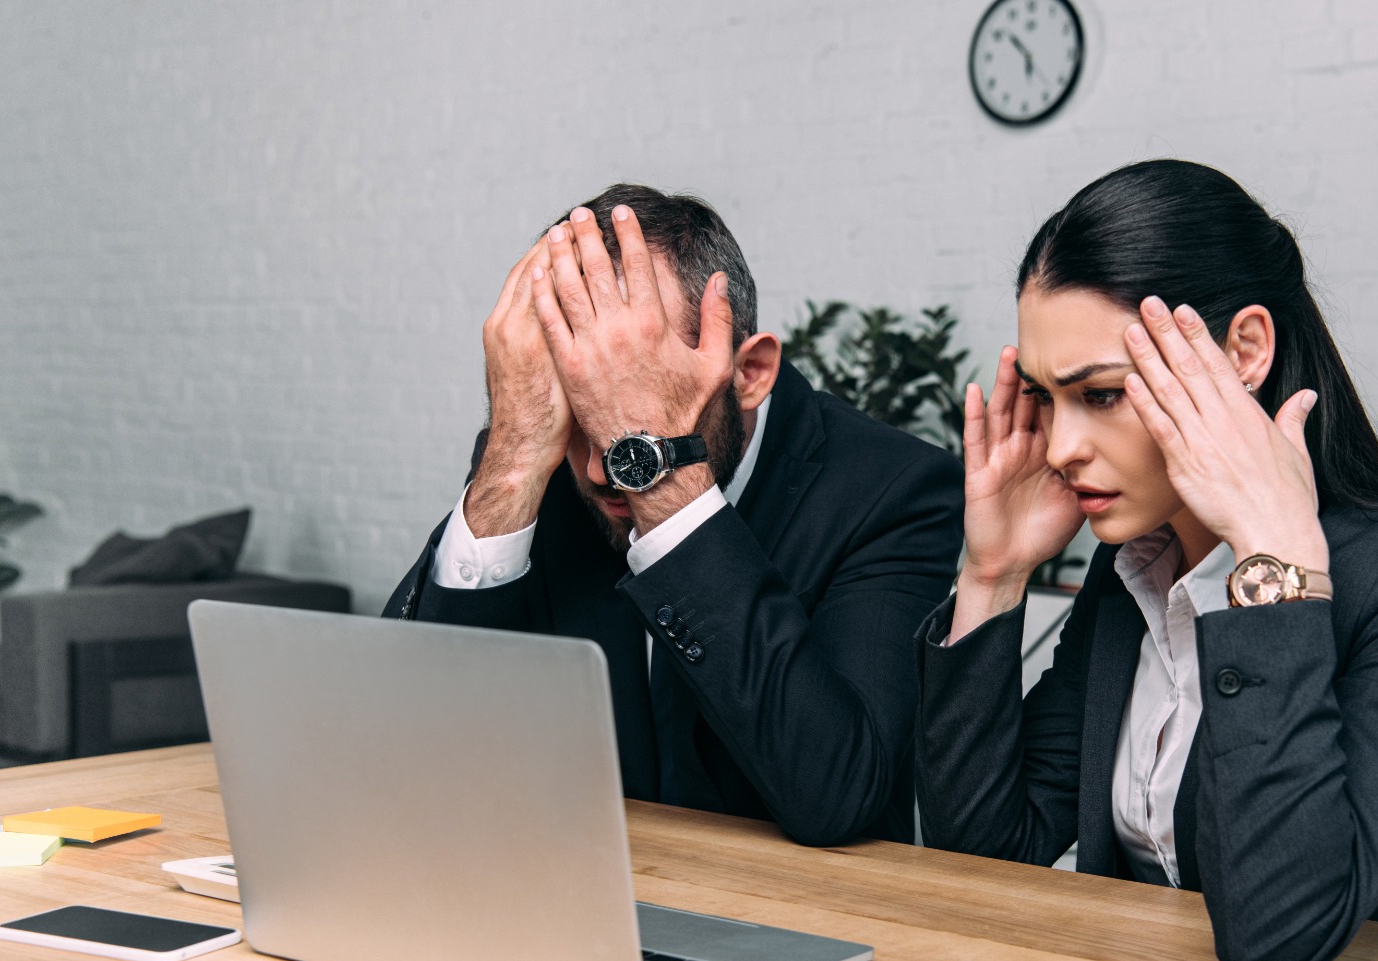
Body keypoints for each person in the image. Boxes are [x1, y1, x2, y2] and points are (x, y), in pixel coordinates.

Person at [914, 159, 1378, 961]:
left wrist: (1276, 565)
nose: (1059, 448)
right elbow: (981, 856)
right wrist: (993, 575)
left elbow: (1282, 935)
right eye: (1049, 398)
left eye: (1102, 395)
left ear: (1245, 351)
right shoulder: (1134, 571)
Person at [386, 184, 964, 846]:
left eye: (627, 405)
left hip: (793, 917)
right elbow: (407, 750)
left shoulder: (893, 489)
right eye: (579, 408)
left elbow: (836, 795)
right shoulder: (536, 464)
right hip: (576, 899)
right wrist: (511, 463)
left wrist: (659, 474)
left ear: (749, 373)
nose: (605, 469)